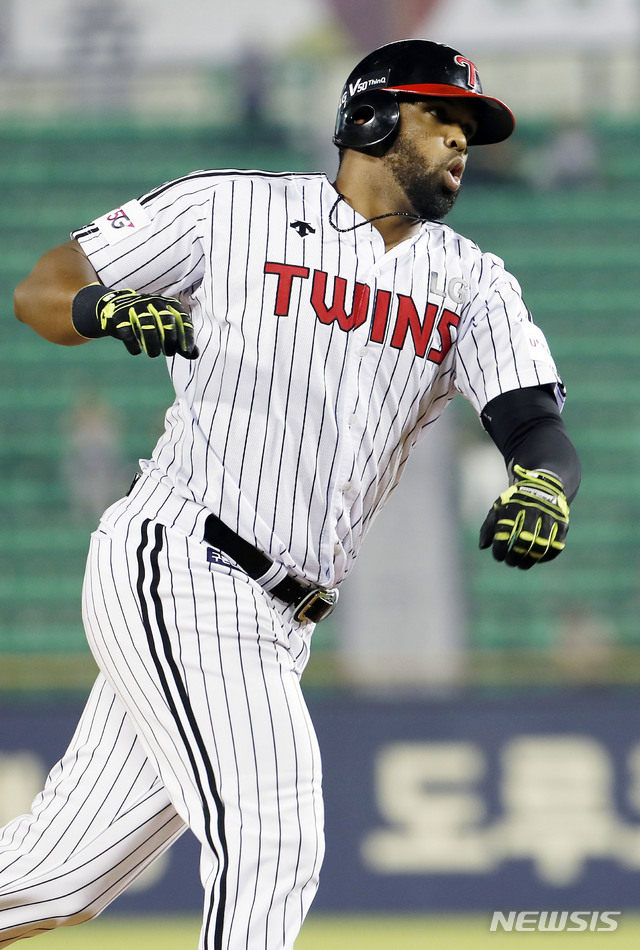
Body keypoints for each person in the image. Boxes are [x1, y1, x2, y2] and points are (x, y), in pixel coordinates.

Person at [5, 39, 579, 949]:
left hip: (282, 617)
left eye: (471, 128)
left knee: (53, 878)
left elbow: (533, 423)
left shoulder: (471, 281)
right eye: (443, 118)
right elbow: (43, 288)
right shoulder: (232, 207)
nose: (463, 143)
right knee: (272, 835)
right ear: (372, 118)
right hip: (184, 554)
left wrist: (542, 484)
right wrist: (100, 310)